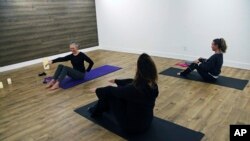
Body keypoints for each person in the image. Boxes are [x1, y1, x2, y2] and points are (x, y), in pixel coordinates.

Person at [89, 53, 159, 134]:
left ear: (139, 69)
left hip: (132, 127)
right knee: (118, 92)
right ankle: (99, 107)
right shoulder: (153, 85)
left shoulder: (134, 89)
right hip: (147, 121)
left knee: (109, 94)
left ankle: (95, 111)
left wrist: (97, 89)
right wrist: (116, 81)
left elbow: (111, 90)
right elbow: (131, 81)